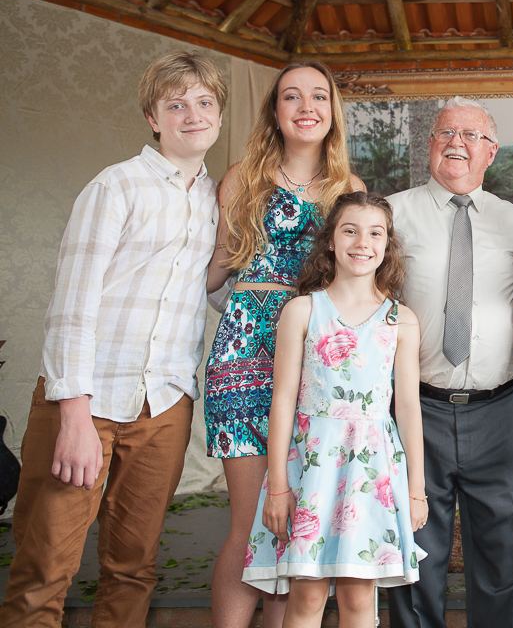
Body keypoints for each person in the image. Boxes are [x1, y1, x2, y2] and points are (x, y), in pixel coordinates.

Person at [0, 51, 226, 628]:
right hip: (86, 401)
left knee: (133, 568)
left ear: (219, 115)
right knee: (44, 569)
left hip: (166, 404)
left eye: (204, 103)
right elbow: (72, 307)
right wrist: (74, 417)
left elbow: (206, 288)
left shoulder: (214, 201)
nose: (191, 115)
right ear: (153, 116)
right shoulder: (115, 187)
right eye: (176, 104)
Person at [204, 61, 362, 628]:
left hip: (315, 358)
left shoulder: (351, 190)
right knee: (252, 522)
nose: (306, 106)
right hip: (245, 354)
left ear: (332, 112)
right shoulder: (241, 177)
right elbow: (214, 270)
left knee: (297, 519)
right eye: (291, 96)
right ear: (275, 110)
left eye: (318, 96)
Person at [385, 97, 513, 628]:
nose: (457, 143)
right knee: (412, 562)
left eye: (472, 135)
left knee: (507, 557)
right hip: (412, 410)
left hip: (500, 414)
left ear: (490, 152)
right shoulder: (390, 215)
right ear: (430, 144)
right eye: (446, 132)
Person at [242, 192, 427, 625]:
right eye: (350, 230)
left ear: (387, 245)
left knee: (360, 597)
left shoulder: (401, 320)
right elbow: (283, 401)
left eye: (375, 233)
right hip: (312, 467)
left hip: (371, 470)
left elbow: (410, 410)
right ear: (330, 241)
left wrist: (416, 490)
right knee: (306, 596)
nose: (362, 242)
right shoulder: (302, 310)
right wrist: (278, 487)